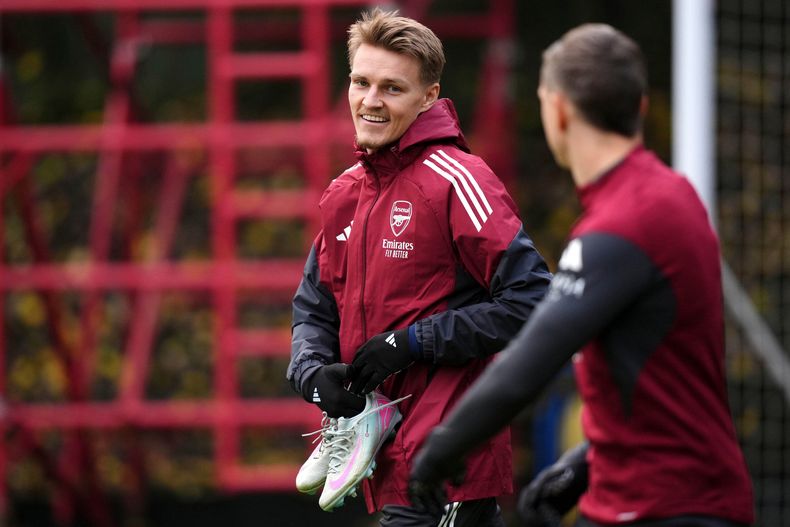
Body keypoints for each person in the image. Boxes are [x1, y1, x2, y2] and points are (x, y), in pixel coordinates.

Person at [408, 23, 755, 527]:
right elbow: (658, 375)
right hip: (656, 498)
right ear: (639, 107)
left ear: (560, 111)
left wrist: (440, 450)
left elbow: (526, 365)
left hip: (667, 510)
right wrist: (584, 464)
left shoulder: (624, 223)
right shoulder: (670, 195)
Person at [286, 7, 551, 526]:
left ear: (429, 95)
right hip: (386, 468)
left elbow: (534, 299)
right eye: (360, 82)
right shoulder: (344, 194)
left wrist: (410, 342)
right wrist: (314, 376)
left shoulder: (457, 179)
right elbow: (313, 311)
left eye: (392, 88)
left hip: (448, 464)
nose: (370, 101)